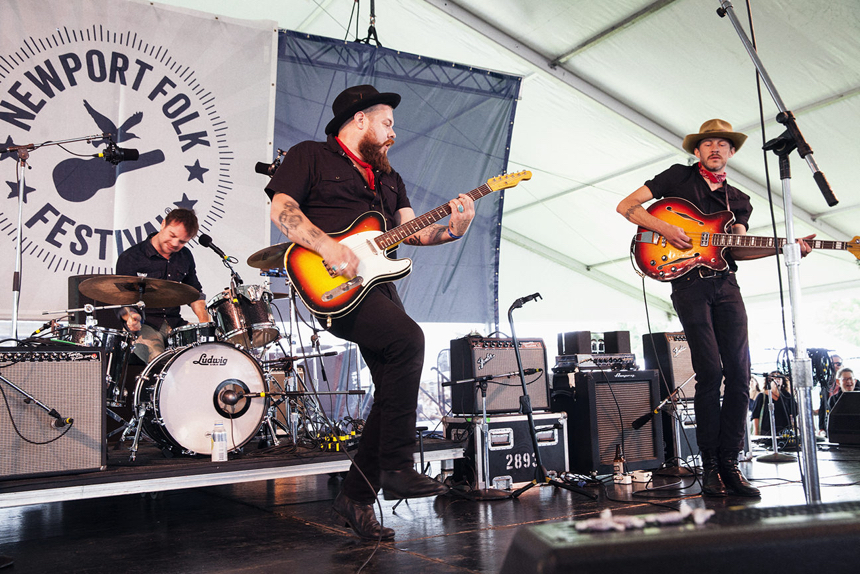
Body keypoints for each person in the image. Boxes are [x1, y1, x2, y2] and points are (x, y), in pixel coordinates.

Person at [265, 85, 475, 540]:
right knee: (409, 340)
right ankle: (398, 468)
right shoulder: (311, 156)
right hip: (330, 279)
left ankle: (355, 499)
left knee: (392, 392)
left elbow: (410, 232)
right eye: (387, 123)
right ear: (359, 119)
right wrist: (326, 246)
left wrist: (454, 231)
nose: (393, 133)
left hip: (376, 286)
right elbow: (282, 208)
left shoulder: (389, 178)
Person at [616, 119, 813, 498]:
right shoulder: (676, 177)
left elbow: (736, 248)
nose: (716, 149)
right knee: (710, 370)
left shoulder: (739, 200)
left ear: (732, 152)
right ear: (697, 150)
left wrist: (784, 246)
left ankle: (730, 463)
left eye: (723, 144)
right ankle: (708, 465)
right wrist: (665, 229)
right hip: (688, 284)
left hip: (726, 286)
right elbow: (627, 206)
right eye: (709, 144)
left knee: (740, 375)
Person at [115, 208, 209, 362]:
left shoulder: (185, 256)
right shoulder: (131, 257)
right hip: (146, 324)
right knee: (161, 364)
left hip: (175, 323)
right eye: (172, 235)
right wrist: (131, 317)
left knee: (206, 357)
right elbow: (121, 300)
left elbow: (194, 292)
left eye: (182, 241)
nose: (174, 243)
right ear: (163, 224)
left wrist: (205, 321)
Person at [751, 372, 797, 436]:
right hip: (766, 432)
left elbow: (794, 413)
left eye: (779, 378)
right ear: (769, 381)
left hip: (785, 433)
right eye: (774, 378)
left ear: (782, 381)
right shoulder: (762, 396)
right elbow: (755, 416)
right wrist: (756, 433)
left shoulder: (786, 396)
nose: (777, 380)